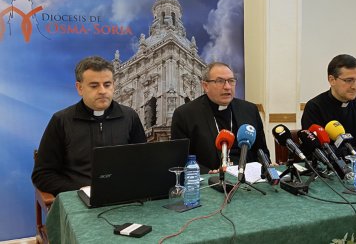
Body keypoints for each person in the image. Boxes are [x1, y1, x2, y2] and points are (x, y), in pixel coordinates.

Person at [32, 56, 146, 196]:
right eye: (94, 86)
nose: (102, 91)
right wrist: (80, 191)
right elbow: (42, 175)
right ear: (80, 88)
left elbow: (143, 163)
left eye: (107, 84)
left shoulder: (130, 117)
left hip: (124, 198)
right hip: (78, 201)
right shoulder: (61, 120)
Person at [171, 61, 270, 174]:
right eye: (220, 81)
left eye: (231, 81)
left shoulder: (249, 110)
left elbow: (262, 151)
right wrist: (207, 173)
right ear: (205, 86)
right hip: (210, 181)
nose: (227, 87)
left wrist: (266, 165)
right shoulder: (185, 114)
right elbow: (180, 159)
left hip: (249, 179)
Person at [301, 54, 356, 167]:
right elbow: (317, 151)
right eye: (349, 80)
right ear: (332, 80)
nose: (355, 86)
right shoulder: (315, 107)